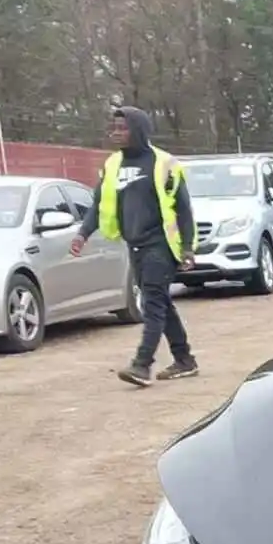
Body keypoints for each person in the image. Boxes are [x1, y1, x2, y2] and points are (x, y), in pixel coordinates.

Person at [73, 105, 198, 386]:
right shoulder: (112, 165)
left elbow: (184, 209)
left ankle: (142, 365)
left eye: (123, 128)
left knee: (152, 303)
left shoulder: (164, 163)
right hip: (135, 245)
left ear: (138, 130)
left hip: (161, 245)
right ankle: (185, 360)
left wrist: (188, 247)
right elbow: (98, 204)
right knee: (161, 302)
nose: (116, 133)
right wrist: (83, 234)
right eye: (114, 127)